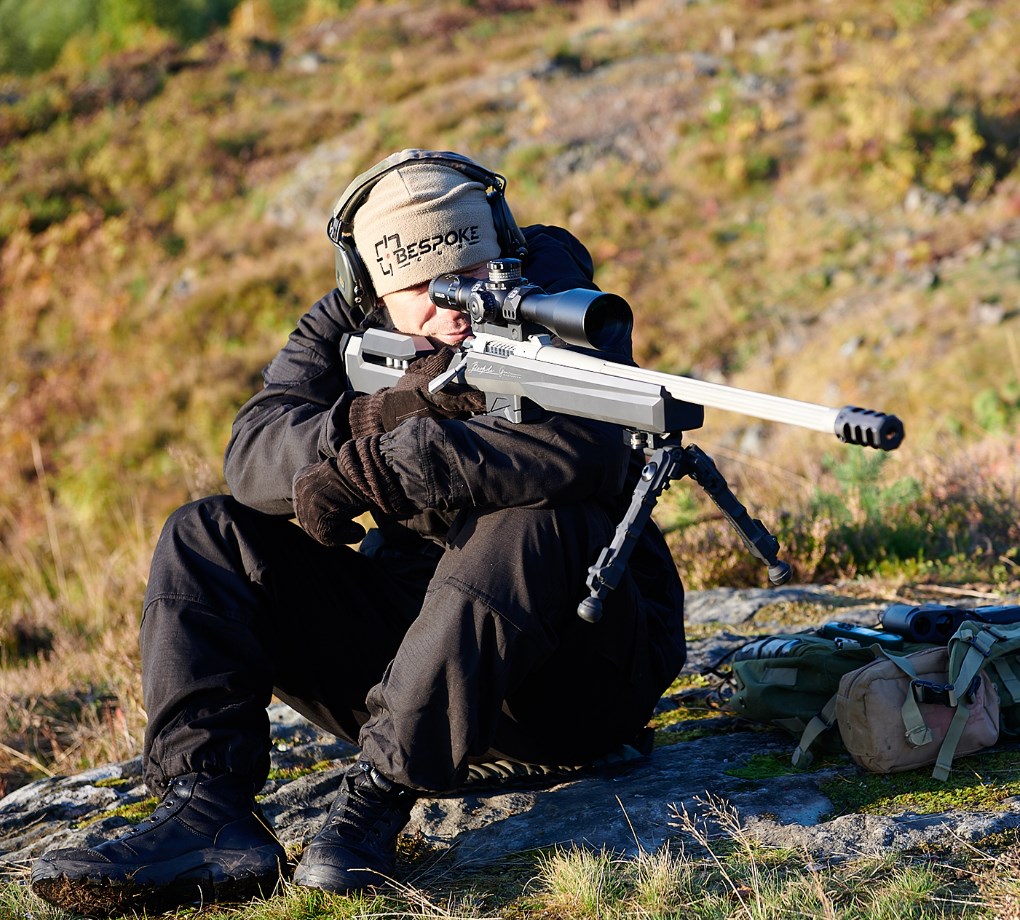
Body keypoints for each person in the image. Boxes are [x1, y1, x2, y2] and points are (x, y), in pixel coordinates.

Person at [30, 149, 687, 915]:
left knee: (542, 515)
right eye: (426, 290)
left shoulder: (558, 299)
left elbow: (586, 449)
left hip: (575, 680)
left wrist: (387, 468)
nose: (458, 305)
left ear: (502, 248)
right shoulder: (343, 322)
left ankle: (376, 798)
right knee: (206, 533)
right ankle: (205, 814)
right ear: (371, 294)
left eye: (475, 275)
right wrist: (377, 416)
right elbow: (253, 454)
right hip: (417, 656)